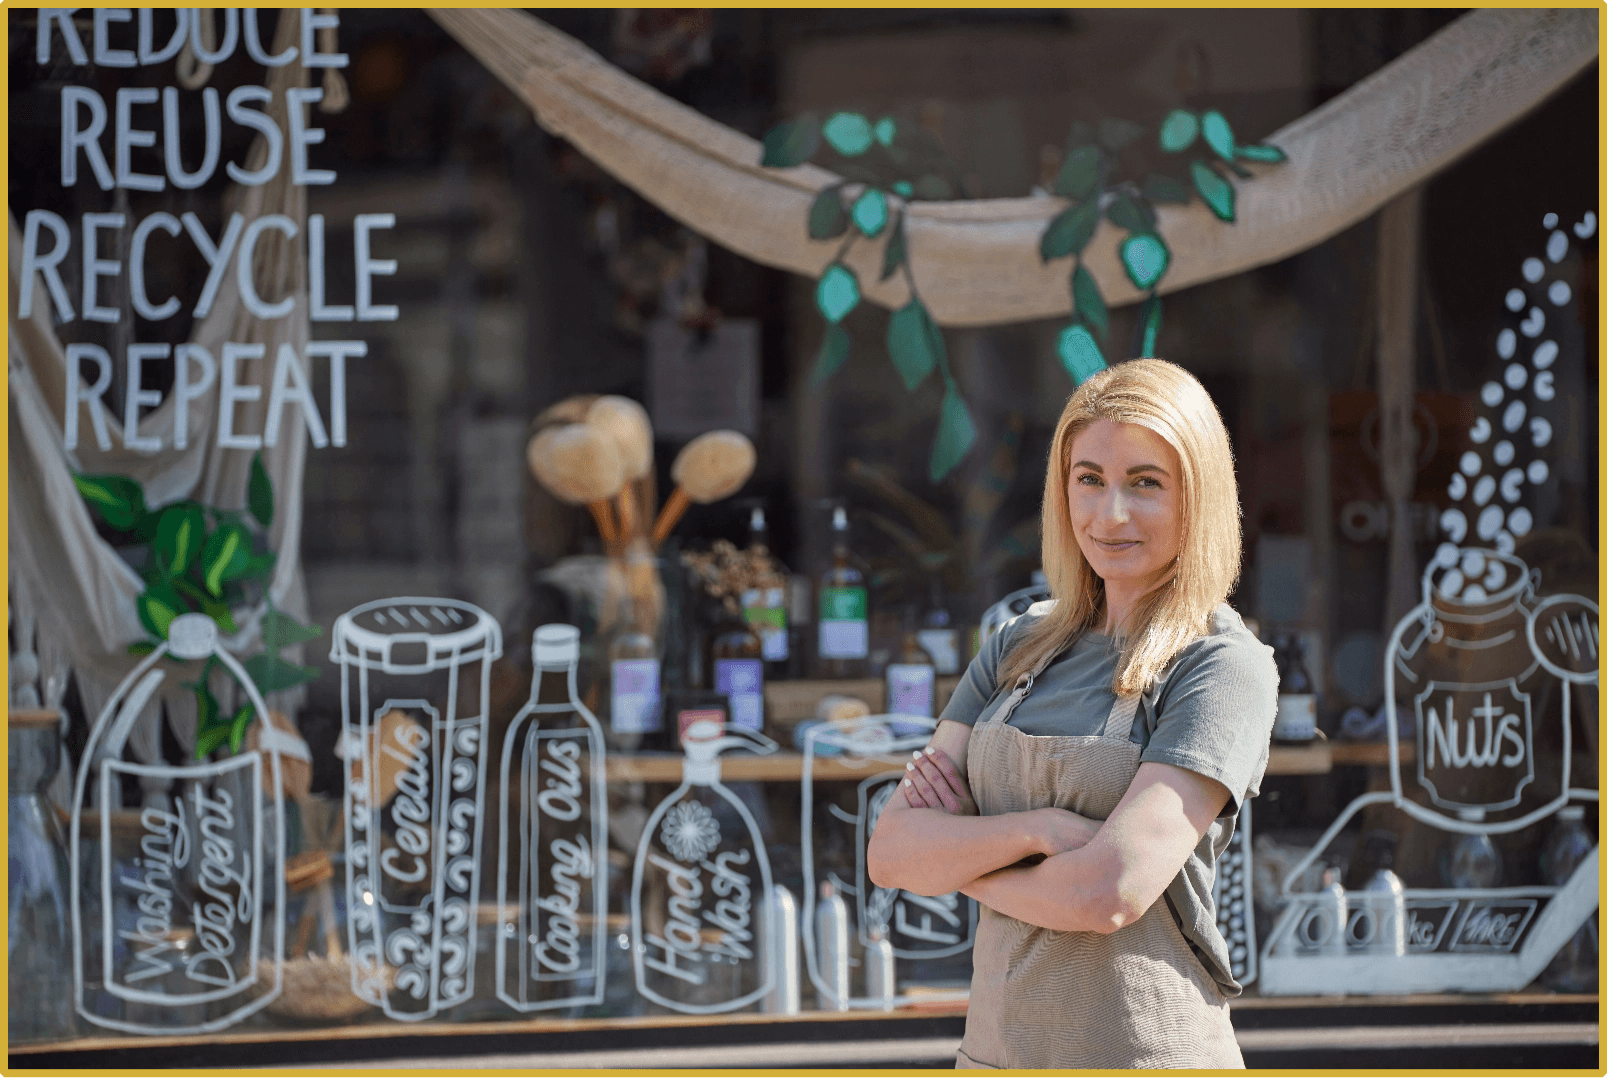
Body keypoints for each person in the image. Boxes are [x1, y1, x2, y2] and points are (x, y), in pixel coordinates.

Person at [866, 358, 1277, 1068]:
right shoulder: (1018, 647)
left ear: (1197, 496)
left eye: (1144, 484)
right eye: (1088, 480)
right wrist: (1044, 830)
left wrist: (956, 858)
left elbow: (1107, 894)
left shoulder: (1219, 667)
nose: (1108, 513)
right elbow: (891, 853)